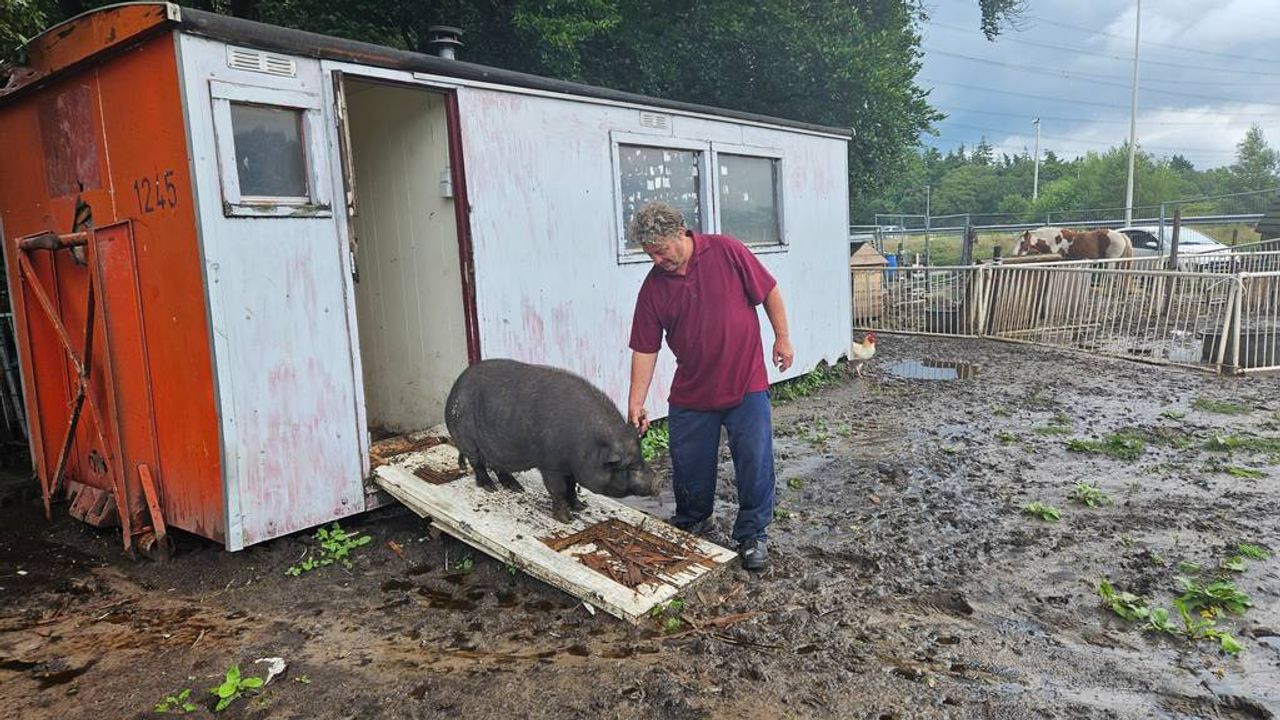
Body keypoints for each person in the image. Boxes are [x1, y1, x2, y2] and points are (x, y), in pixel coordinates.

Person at [626, 202, 793, 572]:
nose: (656, 260)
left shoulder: (726, 251)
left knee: (754, 460)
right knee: (689, 463)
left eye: (660, 251)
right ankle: (693, 520)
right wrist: (636, 401)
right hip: (693, 390)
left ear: (680, 233)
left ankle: (752, 534)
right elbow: (645, 347)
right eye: (650, 254)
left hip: (745, 382)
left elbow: (769, 291)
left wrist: (782, 337)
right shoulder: (654, 288)